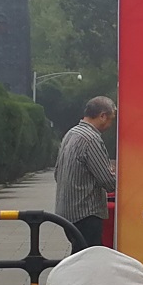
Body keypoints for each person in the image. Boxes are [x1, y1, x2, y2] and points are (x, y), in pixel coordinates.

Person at [54, 98, 117, 248]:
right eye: (111, 119)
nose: (111, 124)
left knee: (79, 253)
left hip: (67, 212)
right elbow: (108, 181)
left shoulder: (71, 133)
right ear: (102, 116)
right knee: (88, 255)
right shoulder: (91, 139)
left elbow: (57, 172)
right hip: (86, 213)